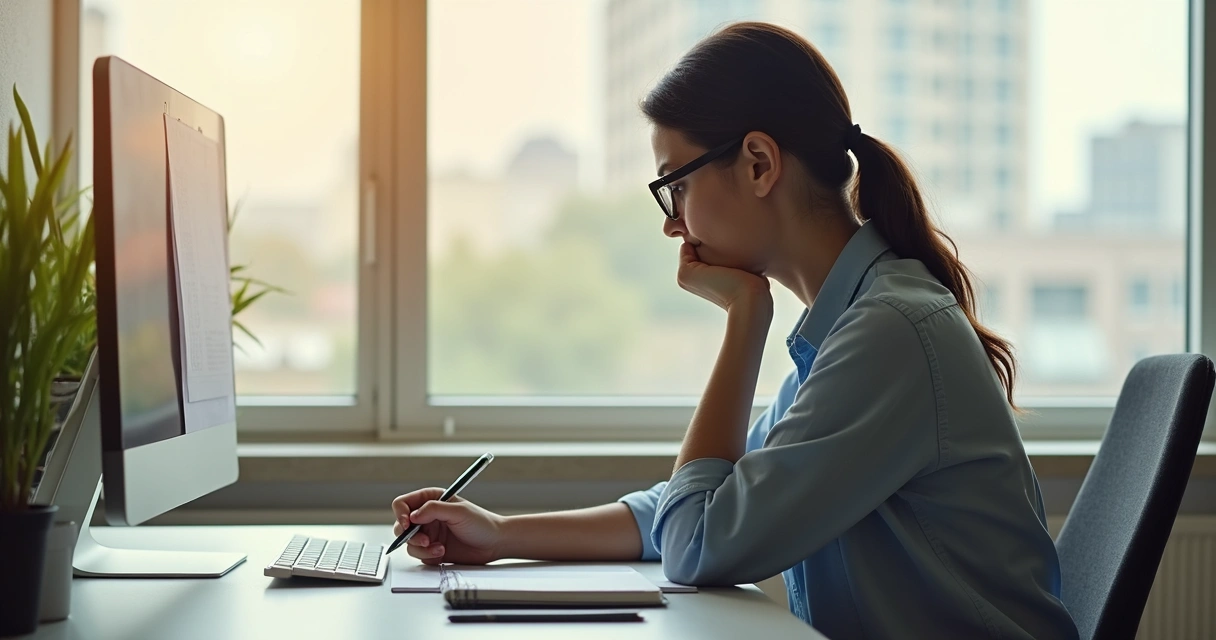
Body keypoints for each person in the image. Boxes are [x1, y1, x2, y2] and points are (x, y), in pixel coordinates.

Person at [391, 21, 1078, 639]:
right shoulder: (851, 325)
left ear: (758, 164)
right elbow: (686, 510)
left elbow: (696, 543)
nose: (672, 223)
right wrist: (501, 535)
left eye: (676, 185)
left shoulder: (888, 333)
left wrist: (745, 321)